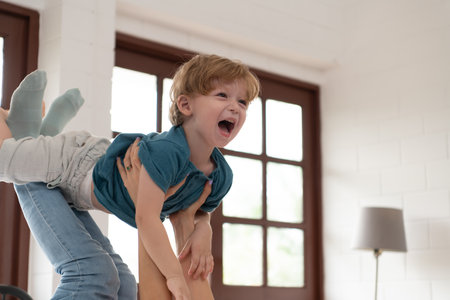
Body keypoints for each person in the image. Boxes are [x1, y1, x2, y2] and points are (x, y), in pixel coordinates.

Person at [0, 54, 260, 300]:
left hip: (83, 186)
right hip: (73, 164)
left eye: (243, 102)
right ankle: (25, 132)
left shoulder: (221, 174)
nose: (235, 108)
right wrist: (173, 275)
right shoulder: (167, 153)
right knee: (6, 158)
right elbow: (146, 218)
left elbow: (201, 209)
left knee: (122, 280)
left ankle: (36, 134)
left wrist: (205, 227)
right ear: (185, 104)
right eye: (222, 95)